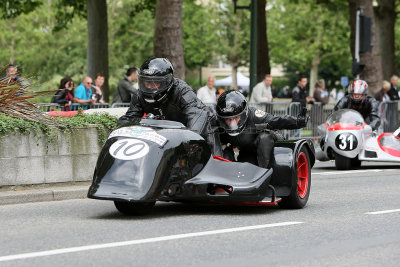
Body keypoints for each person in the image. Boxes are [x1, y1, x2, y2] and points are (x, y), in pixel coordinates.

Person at [117, 57, 219, 154]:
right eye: (146, 82)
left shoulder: (182, 91)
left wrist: (189, 140)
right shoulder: (139, 95)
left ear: (166, 82)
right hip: (169, 136)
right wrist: (119, 131)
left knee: (213, 161)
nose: (149, 87)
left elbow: (196, 115)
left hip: (201, 131)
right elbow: (130, 118)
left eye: (154, 83)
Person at [215, 90, 309, 168]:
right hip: (248, 151)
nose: (232, 123)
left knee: (264, 137)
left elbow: (275, 121)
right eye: (228, 119)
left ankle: (266, 173)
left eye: (235, 118)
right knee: (244, 168)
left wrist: (296, 122)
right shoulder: (217, 124)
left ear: (244, 113)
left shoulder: (254, 115)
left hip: (271, 145)